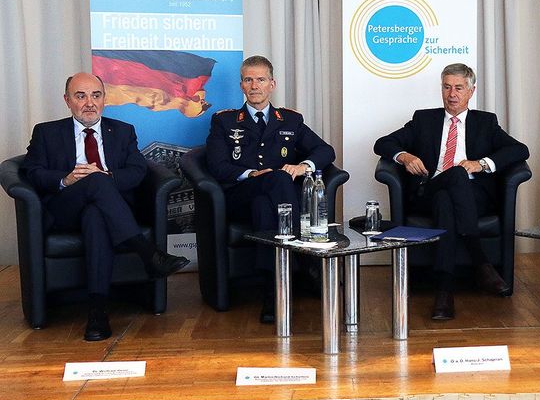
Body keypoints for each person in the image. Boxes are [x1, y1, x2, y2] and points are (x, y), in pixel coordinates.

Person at [22, 73, 190, 342]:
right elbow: (31, 172)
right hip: (65, 209)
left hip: (108, 210)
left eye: (95, 95)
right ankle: (148, 254)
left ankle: (97, 313)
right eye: (81, 96)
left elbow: (137, 171)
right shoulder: (46, 132)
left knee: (96, 215)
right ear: (67, 101)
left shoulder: (122, 131)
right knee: (95, 182)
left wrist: (108, 177)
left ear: (104, 99)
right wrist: (65, 179)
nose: (89, 102)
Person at [374, 63, 529, 320]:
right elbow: (383, 143)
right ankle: (481, 262)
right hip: (428, 189)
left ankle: (444, 292)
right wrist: (404, 156)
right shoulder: (424, 119)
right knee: (453, 177)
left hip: (470, 195)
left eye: (458, 88)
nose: (452, 94)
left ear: (471, 91)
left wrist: (481, 164)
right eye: (446, 87)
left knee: (447, 198)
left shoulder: (485, 122)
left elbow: (520, 150)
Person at [205, 55, 335, 324]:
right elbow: (217, 165)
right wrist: (252, 173)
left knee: (265, 204)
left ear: (272, 84)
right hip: (238, 194)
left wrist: (303, 166)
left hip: (269, 201)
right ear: (241, 85)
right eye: (248, 79)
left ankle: (271, 293)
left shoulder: (289, 120)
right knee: (276, 180)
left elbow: (326, 150)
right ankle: (306, 260)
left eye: (260, 79)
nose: (255, 86)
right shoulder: (225, 121)